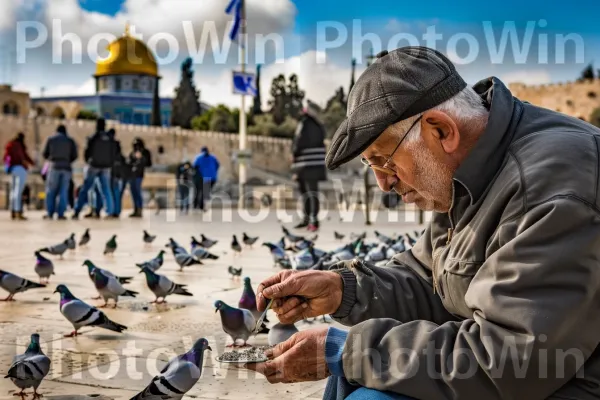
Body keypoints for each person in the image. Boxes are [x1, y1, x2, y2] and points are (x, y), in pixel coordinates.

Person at [246, 46, 600, 399]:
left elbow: (508, 360)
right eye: (372, 166)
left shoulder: (550, 189)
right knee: (355, 375)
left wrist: (348, 350)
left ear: (441, 131)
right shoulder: (465, 174)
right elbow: (427, 280)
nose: (383, 183)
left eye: (385, 160)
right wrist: (342, 290)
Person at [290, 101, 327, 232]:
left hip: (305, 164)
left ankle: (309, 220)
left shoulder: (304, 123)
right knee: (312, 192)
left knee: (307, 193)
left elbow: (298, 141)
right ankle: (311, 220)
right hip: (316, 163)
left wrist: (294, 153)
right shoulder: (319, 126)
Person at [72, 118, 116, 219]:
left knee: (85, 189)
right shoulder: (110, 138)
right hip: (106, 167)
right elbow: (114, 153)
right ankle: (109, 212)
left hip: (94, 166)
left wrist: (89, 161)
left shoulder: (94, 137)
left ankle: (77, 210)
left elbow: (87, 152)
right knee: (106, 190)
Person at [42, 124, 78, 220]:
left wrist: (52, 158)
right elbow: (75, 155)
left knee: (51, 190)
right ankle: (61, 213)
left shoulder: (51, 139)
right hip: (66, 168)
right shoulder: (70, 140)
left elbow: (45, 153)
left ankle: (50, 212)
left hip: (54, 166)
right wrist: (67, 161)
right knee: (63, 191)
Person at [3, 132, 34, 220]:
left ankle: (13, 210)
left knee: (13, 191)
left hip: (12, 169)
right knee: (18, 191)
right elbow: (25, 156)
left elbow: (5, 157)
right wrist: (32, 163)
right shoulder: (20, 146)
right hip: (20, 169)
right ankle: (18, 211)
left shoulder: (10, 144)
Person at [127, 137, 152, 218]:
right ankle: (135, 209)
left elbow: (148, 163)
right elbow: (129, 163)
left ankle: (139, 209)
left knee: (138, 192)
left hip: (139, 175)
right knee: (133, 192)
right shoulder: (132, 153)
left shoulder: (145, 152)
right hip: (131, 175)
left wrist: (141, 158)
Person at [192, 146, 219, 211]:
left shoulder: (199, 157)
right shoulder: (213, 157)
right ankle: (202, 205)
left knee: (202, 191)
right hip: (213, 177)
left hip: (205, 177)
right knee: (206, 192)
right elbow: (217, 165)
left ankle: (201, 206)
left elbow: (194, 166)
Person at [108, 128, 126, 218]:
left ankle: (112, 210)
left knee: (111, 192)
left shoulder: (109, 145)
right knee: (116, 193)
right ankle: (117, 211)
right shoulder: (118, 149)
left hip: (112, 172)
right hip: (118, 173)